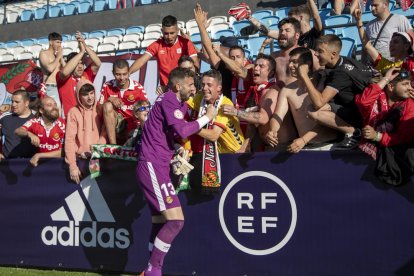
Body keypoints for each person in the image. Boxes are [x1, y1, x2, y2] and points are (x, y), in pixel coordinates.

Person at [136, 67, 217, 276]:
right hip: (153, 165)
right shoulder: (170, 99)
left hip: (158, 164)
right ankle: (153, 270)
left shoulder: (173, 102)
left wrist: (178, 147)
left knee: (160, 221)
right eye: (190, 85)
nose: (194, 89)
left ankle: (149, 268)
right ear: (177, 85)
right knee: (176, 220)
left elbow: (172, 132)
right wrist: (207, 116)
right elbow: (182, 130)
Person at [299, 34, 373, 149]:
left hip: (361, 117)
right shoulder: (345, 61)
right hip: (356, 111)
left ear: (333, 54)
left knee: (312, 110)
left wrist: (304, 76)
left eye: (320, 51)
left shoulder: (341, 73)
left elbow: (319, 103)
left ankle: (354, 133)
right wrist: (304, 140)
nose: (316, 54)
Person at [266, 47, 338, 153]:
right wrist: (272, 130)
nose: (290, 66)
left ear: (307, 64)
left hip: (330, 145)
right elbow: (278, 116)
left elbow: (327, 120)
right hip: (305, 147)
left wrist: (305, 139)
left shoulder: (322, 82)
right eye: (290, 62)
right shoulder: (287, 90)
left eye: (294, 62)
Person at [222, 54, 297, 151]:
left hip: (282, 148)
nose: (256, 68)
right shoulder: (256, 91)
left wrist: (236, 112)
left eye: (261, 66)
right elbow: (253, 122)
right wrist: (245, 145)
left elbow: (263, 118)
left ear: (271, 73)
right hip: (269, 147)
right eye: (255, 65)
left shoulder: (272, 90)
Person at [194, 3, 253, 107]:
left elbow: (239, 70)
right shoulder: (225, 70)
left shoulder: (249, 71)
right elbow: (208, 48)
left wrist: (220, 54)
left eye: (238, 57)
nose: (234, 60)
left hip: (246, 116)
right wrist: (200, 26)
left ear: (245, 60)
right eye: (232, 57)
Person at [356, 68, 414, 157]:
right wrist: (385, 79)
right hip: (365, 147)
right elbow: (363, 102)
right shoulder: (375, 96)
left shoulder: (409, 104)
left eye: (410, 84)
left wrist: (377, 136)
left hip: (392, 152)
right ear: (391, 87)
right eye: (405, 84)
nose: (410, 88)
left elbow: (404, 136)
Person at [129, 15, 199, 88]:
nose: (169, 37)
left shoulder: (186, 43)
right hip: (166, 88)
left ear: (177, 30)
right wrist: (128, 73)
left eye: (172, 33)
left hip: (184, 87)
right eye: (166, 33)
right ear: (162, 31)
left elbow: (195, 63)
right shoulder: (156, 45)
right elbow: (142, 60)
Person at [187, 69, 244, 153]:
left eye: (209, 85)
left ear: (219, 88)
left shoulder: (225, 104)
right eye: (203, 84)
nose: (204, 88)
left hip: (234, 152)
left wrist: (189, 127)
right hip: (216, 153)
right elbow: (181, 103)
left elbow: (214, 135)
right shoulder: (199, 98)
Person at [65, 79, 106, 184]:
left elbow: (104, 132)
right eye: (85, 95)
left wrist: (95, 150)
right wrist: (73, 166)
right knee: (83, 190)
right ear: (79, 97)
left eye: (92, 93)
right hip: (80, 159)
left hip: (96, 157)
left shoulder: (100, 109)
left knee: (96, 187)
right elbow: (69, 140)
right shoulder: (73, 112)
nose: (90, 97)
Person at [353, 4, 414, 75]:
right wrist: (358, 21)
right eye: (391, 41)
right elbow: (368, 47)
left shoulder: (411, 63)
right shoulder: (386, 65)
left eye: (396, 42)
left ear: (406, 46)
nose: (391, 44)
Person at [99, 59, 148, 145]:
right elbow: (99, 111)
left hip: (133, 125)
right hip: (115, 126)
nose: (121, 78)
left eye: (124, 74)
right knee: (107, 106)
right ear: (113, 73)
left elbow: (146, 112)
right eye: (118, 74)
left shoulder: (138, 88)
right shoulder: (107, 86)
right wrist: (109, 99)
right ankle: (113, 146)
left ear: (129, 72)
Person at [57, 31, 101, 117]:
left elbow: (98, 63)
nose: (80, 66)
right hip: (70, 119)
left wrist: (84, 45)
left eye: (81, 63)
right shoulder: (62, 78)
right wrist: (81, 52)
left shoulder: (86, 74)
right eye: (76, 64)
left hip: (89, 117)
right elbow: (65, 72)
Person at [252, 0, 323, 51]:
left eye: (292, 19)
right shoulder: (292, 36)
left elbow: (316, 16)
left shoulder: (315, 33)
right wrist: (249, 17)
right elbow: (267, 32)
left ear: (300, 18)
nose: (289, 22)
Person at [15, 96, 65, 167]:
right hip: (39, 167)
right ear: (41, 110)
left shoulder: (63, 124)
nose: (54, 107)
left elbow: (65, 151)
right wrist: (29, 134)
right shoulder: (34, 122)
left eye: (55, 104)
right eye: (49, 105)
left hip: (58, 166)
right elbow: (18, 131)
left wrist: (39, 155)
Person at [0, 90, 36, 161]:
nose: (13, 104)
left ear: (27, 103)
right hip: (8, 163)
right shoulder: (4, 117)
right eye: (12, 101)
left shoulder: (37, 117)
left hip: (31, 164)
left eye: (17, 102)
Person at [38, 32, 65, 113]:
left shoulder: (57, 56)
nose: (59, 45)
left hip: (60, 87)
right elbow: (50, 68)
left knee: (62, 113)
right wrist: (58, 57)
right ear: (50, 42)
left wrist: (61, 58)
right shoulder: (44, 53)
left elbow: (66, 70)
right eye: (57, 42)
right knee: (55, 112)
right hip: (50, 87)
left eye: (60, 42)